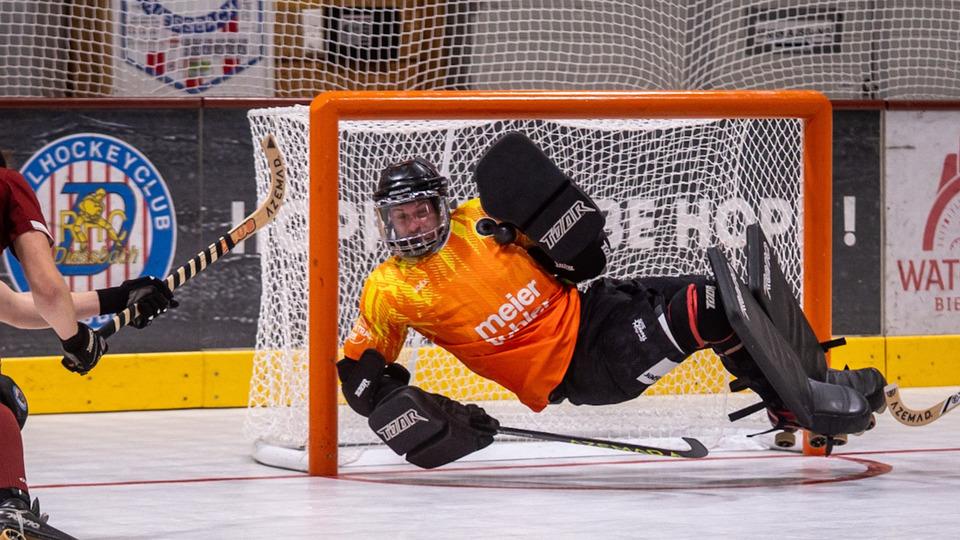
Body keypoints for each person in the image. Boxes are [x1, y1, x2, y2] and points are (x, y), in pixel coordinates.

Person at [336, 151, 887, 469]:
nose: (412, 225)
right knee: (711, 308)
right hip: (580, 370)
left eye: (420, 212)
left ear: (440, 204)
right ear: (386, 221)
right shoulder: (388, 289)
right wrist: (418, 410)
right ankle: (797, 406)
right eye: (400, 217)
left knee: (723, 290)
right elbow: (361, 378)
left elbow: (580, 261)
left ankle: (802, 390)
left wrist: (568, 253)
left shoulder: (481, 217)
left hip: (596, 309)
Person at [0, 153, 177, 539]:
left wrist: (119, 298)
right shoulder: (7, 184)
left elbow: (12, 306)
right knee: (4, 400)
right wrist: (77, 340)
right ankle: (9, 510)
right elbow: (47, 291)